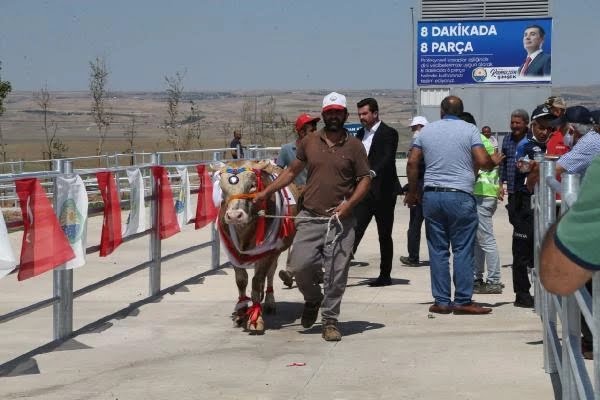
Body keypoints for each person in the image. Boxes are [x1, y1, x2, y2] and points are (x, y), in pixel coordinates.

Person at [253, 92, 371, 341]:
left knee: (336, 274)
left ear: (345, 115)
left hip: (341, 221)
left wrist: (349, 205)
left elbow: (365, 180)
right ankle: (313, 299)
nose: (334, 116)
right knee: (299, 266)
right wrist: (265, 192)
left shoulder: (355, 146)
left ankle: (330, 320)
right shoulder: (309, 142)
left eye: (338, 112)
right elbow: (291, 172)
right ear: (324, 115)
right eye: (330, 113)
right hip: (310, 216)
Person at [405, 96, 503, 315]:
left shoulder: (426, 132)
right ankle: (462, 300)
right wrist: (493, 161)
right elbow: (481, 159)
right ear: (461, 111)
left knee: (438, 250)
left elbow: (412, 162)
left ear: (441, 111)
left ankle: (441, 301)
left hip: (432, 196)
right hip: (460, 195)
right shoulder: (469, 130)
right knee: (462, 249)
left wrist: (413, 192)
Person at [352, 98, 401, 287]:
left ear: (375, 113)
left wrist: (372, 172)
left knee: (384, 235)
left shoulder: (389, 133)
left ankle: (385, 274)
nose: (362, 118)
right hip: (363, 193)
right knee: (354, 230)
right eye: (359, 115)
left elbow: (387, 158)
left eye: (364, 114)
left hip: (384, 193)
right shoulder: (359, 134)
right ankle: (340, 268)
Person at [276, 113, 320, 288]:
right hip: (294, 199)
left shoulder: (320, 149)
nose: (315, 131)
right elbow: (279, 171)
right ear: (301, 132)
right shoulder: (287, 150)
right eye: (311, 129)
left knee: (314, 234)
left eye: (316, 128)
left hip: (316, 197)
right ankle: (290, 271)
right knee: (294, 233)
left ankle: (313, 270)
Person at [463, 115, 503, 295]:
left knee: (486, 240)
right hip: (484, 193)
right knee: (478, 241)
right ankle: (477, 278)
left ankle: (494, 279)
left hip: (482, 193)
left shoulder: (477, 141)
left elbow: (477, 165)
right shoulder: (483, 141)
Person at [400, 116, 428, 267]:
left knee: (414, 226)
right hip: (431, 188)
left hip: (419, 189)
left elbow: (412, 165)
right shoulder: (433, 142)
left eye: (413, 128)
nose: (412, 131)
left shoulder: (418, 141)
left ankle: (413, 257)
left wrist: (412, 191)